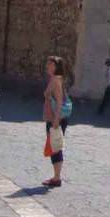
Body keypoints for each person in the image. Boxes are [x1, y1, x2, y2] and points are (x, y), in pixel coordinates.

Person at [42, 56, 70, 188]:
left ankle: (57, 177)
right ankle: (56, 176)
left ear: (56, 67)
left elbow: (59, 101)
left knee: (55, 147)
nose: (48, 66)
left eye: (51, 64)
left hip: (55, 119)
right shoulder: (56, 79)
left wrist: (56, 120)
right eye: (48, 63)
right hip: (54, 118)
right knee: (54, 146)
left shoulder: (56, 81)